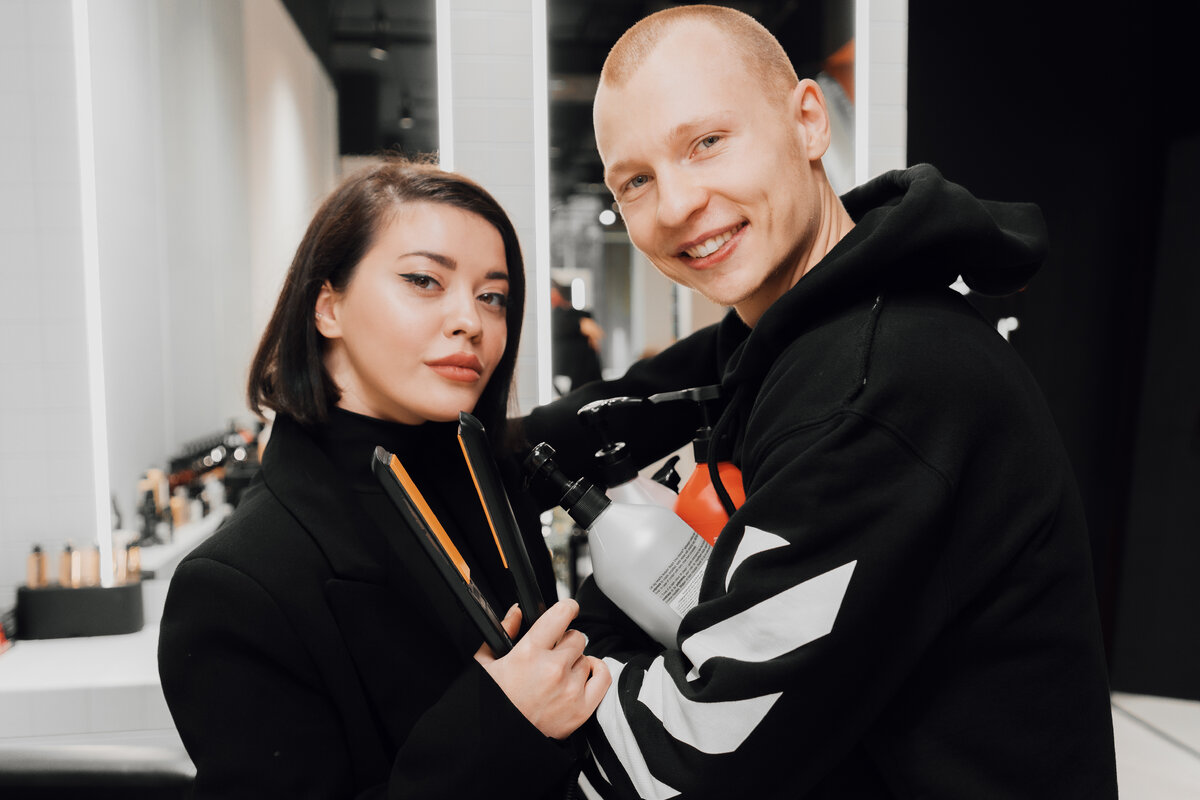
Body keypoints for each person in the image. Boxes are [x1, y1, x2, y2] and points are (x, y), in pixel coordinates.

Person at [522, 5, 1117, 798]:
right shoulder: (802, 333)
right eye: (635, 181)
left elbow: (689, 760)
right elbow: (666, 391)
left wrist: (503, 720)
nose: (674, 205)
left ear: (807, 121)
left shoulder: (875, 387)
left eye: (706, 142)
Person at [157, 158, 610, 798]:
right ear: (327, 306)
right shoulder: (237, 583)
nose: (471, 321)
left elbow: (635, 398)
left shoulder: (483, 471)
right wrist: (502, 722)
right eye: (424, 280)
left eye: (493, 296)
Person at [551, 280, 605, 393]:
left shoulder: (578, 316)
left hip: (582, 379)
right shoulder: (555, 318)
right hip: (569, 378)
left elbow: (597, 333)